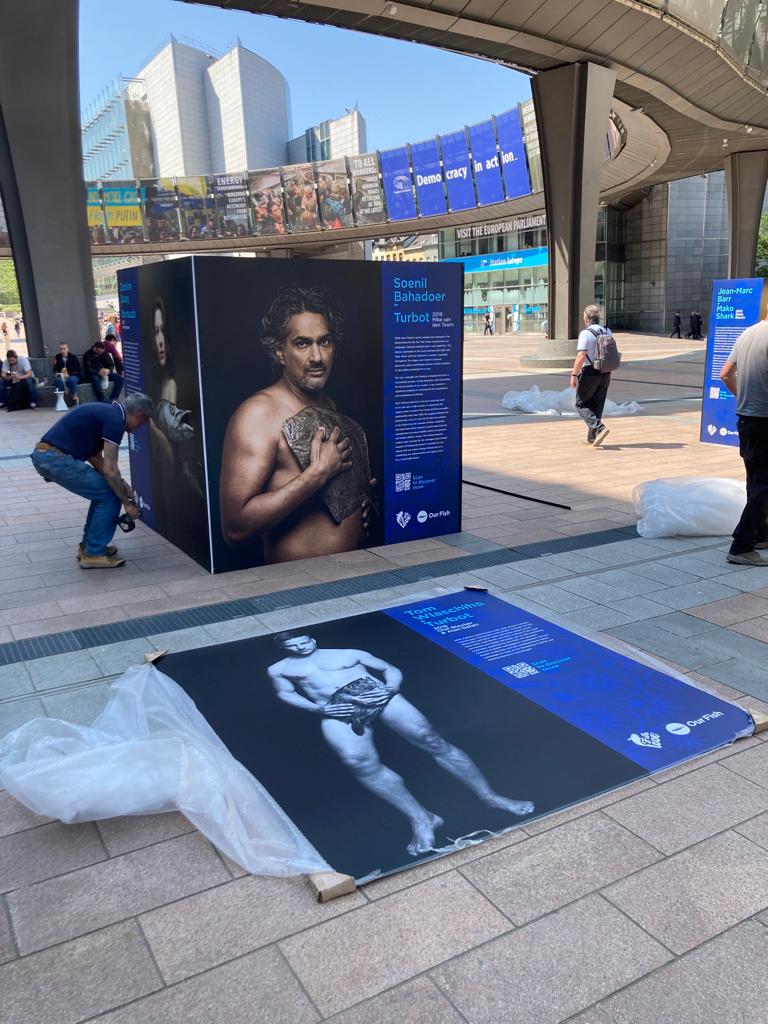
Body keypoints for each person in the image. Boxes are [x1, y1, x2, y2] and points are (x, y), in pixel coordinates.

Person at [267, 631, 535, 855]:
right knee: (357, 762)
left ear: (312, 638)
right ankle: (422, 817)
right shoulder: (280, 669)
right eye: (294, 645)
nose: (302, 647)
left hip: (379, 695)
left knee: (431, 739)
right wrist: (318, 709)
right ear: (283, 647)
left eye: (305, 641)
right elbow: (285, 694)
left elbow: (388, 669)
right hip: (336, 708)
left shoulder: (348, 652)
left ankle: (490, 796)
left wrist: (391, 687)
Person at [220, 286, 376, 564]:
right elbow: (234, 528)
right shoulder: (257, 414)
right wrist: (315, 477)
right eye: (302, 344)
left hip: (351, 576)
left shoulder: (328, 404)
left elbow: (328, 509)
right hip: (297, 586)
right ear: (280, 351)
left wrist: (356, 500)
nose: (317, 357)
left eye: (324, 342)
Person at [30, 392, 153, 568]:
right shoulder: (117, 420)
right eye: (144, 421)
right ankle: (94, 552)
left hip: (47, 456)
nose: (142, 426)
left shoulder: (110, 412)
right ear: (140, 414)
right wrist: (127, 503)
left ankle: (90, 546)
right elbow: (110, 468)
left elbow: (95, 457)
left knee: (107, 490)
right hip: (55, 459)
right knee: (110, 494)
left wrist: (122, 483)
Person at [719, 307, 768, 566]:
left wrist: (744, 397)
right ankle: (741, 546)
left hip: (746, 419)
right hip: (765, 420)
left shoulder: (747, 333)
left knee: (755, 478)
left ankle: (760, 534)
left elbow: (725, 374)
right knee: (764, 483)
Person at [570, 303, 613, 447]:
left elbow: (581, 355)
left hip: (590, 371)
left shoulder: (586, 333)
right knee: (597, 404)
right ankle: (592, 437)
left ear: (586, 319)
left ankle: (599, 428)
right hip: (605, 371)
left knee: (581, 404)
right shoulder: (607, 331)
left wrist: (574, 374)